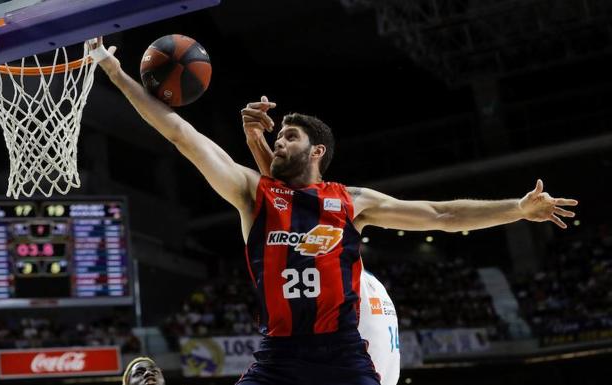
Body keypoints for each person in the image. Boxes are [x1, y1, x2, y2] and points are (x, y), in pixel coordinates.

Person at [91, 41, 578, 385]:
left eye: (289, 137)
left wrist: (516, 208)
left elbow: (441, 214)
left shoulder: (351, 202)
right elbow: (180, 134)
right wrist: (115, 73)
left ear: (316, 150)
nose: (277, 140)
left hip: (342, 353)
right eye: (277, 137)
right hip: (280, 354)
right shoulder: (253, 193)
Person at [242, 101, 401, 385]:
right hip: (363, 362)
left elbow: (293, 198)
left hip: (345, 355)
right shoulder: (367, 280)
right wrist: (256, 143)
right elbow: (293, 196)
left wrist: (257, 143)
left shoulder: (332, 239)